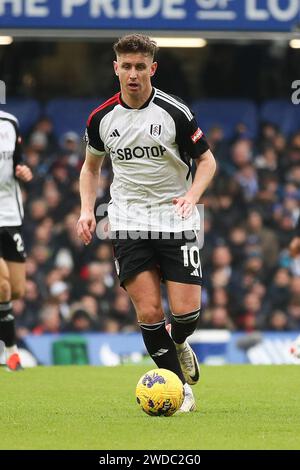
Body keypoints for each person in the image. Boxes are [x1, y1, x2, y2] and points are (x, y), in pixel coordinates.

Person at [77, 34, 216, 412]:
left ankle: (181, 340)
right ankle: (180, 390)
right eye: (127, 66)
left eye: (141, 66)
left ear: (152, 68)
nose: (133, 73)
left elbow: (207, 162)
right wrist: (87, 210)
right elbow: (90, 169)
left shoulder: (175, 112)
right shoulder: (101, 118)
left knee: (187, 314)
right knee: (150, 313)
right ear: (116, 68)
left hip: (176, 217)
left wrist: (192, 196)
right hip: (127, 221)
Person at [0, 110, 32, 370]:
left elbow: (18, 162)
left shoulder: (10, 123)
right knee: (2, 287)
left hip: (10, 214)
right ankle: (10, 351)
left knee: (17, 290)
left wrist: (23, 171)